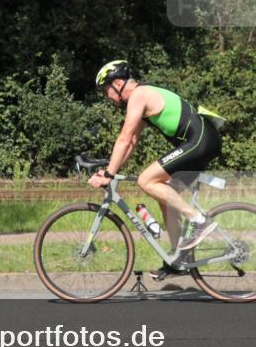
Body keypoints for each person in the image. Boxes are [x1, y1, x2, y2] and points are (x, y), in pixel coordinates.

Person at [89, 59, 223, 280]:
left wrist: (109, 174)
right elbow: (131, 141)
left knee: (146, 180)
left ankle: (199, 221)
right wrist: (111, 169)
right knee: (165, 197)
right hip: (202, 141)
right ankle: (179, 260)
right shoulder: (141, 99)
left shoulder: (139, 95)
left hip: (200, 141)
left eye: (106, 90)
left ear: (118, 83)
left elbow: (123, 138)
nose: (107, 96)